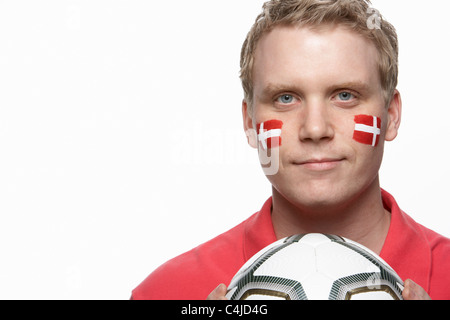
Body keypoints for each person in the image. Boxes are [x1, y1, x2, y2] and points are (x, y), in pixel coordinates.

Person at [132, 0, 450, 300]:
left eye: (344, 95)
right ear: (250, 122)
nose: (314, 129)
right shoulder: (166, 291)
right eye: (286, 98)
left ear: (391, 116)